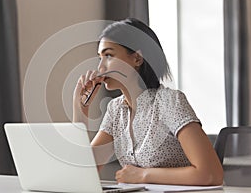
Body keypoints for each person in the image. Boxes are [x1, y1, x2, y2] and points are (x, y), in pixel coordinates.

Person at [73, 18, 223, 185]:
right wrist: (80, 111)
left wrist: (144, 175)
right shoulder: (115, 110)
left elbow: (210, 174)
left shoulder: (169, 102)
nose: (100, 67)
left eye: (108, 55)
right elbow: (83, 171)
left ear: (137, 58)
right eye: (100, 57)